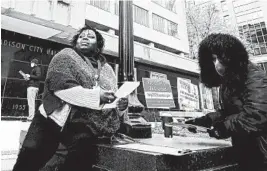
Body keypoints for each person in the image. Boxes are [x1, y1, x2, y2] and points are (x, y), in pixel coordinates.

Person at [13, 25, 129, 171]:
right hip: (52, 121)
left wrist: (120, 106)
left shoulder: (108, 69)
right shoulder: (65, 56)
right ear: (75, 42)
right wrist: (97, 96)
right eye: (81, 36)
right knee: (29, 162)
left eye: (91, 36)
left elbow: (112, 97)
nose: (85, 37)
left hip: (85, 128)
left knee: (74, 164)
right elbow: (61, 88)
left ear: (98, 45)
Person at [186, 33, 267, 171]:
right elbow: (229, 112)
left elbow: (257, 115)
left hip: (261, 151)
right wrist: (206, 121)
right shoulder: (228, 81)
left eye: (219, 58)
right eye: (213, 59)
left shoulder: (254, 77)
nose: (216, 64)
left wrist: (223, 128)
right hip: (245, 149)